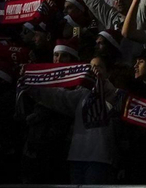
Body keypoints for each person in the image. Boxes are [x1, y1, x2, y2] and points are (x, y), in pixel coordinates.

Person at [21, 52, 122, 184]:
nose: (93, 70)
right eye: (91, 67)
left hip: (101, 159)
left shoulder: (116, 95)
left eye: (98, 67)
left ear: (108, 72)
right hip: (77, 156)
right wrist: (31, 84)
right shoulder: (82, 94)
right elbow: (58, 96)